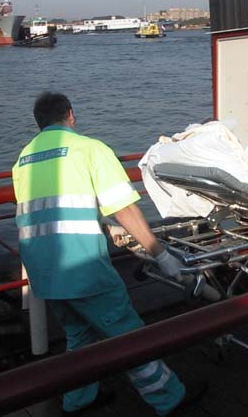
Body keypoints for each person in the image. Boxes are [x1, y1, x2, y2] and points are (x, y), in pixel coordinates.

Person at [12, 92, 205, 415]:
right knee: (127, 335)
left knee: (80, 336)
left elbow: (51, 210)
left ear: (39, 123)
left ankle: (78, 400)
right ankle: (169, 399)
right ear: (70, 115)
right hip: (81, 266)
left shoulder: (24, 159)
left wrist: (101, 227)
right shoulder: (89, 149)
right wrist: (161, 255)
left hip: (40, 269)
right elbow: (125, 209)